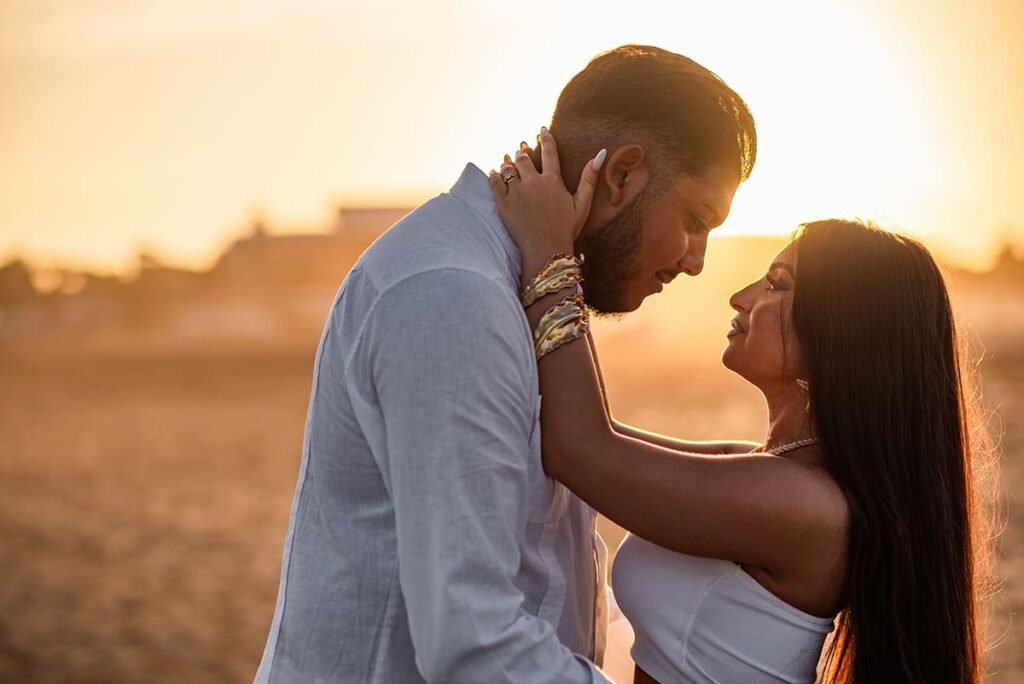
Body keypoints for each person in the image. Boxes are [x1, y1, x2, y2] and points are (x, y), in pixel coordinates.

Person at [253, 45, 756, 683]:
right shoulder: (454, 294)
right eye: (695, 219)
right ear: (623, 176)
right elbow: (472, 638)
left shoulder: (529, 276)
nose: (697, 262)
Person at [487, 132, 990, 683]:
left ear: (842, 334)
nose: (742, 295)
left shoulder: (804, 506)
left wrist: (553, 253)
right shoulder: (770, 472)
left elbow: (580, 450)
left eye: (777, 283)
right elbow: (586, 429)